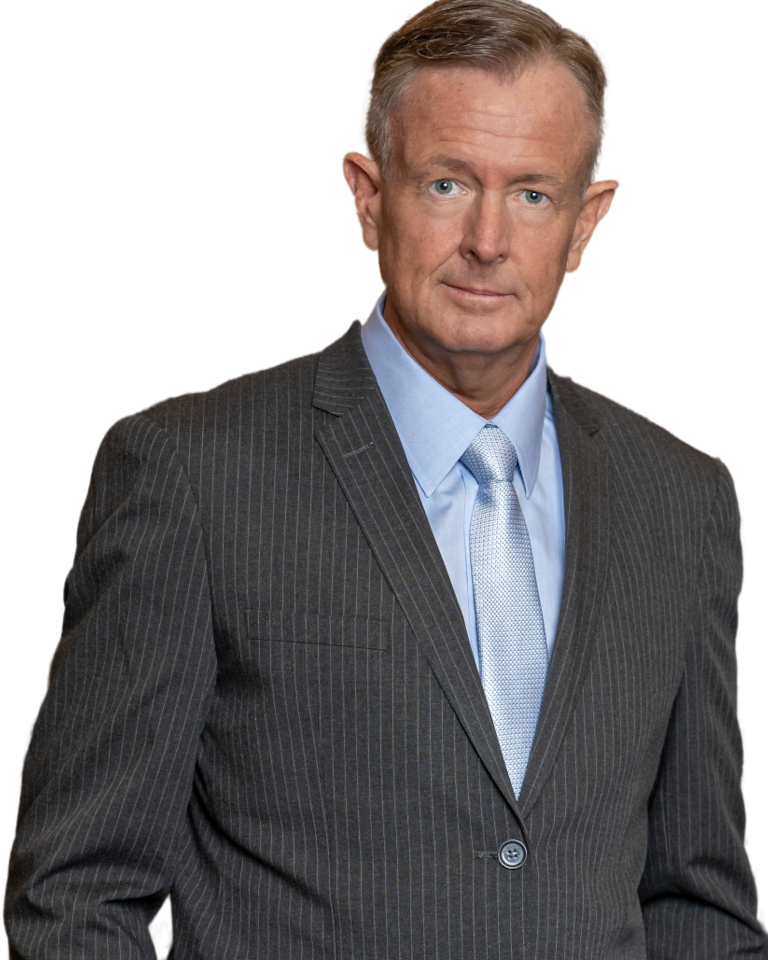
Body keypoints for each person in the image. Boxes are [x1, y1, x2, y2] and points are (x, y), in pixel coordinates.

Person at [4, 1, 766, 957]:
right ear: (365, 198)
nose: (488, 239)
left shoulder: (681, 502)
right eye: (448, 183)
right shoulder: (191, 473)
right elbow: (79, 897)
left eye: (533, 194)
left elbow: (700, 904)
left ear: (587, 222)